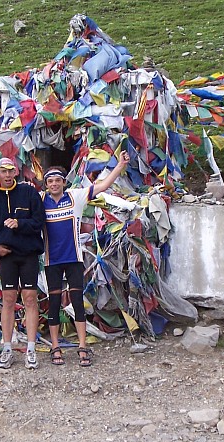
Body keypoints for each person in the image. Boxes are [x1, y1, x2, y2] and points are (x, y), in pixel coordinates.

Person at [41, 150, 130, 367]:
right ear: (46, 184)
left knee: (77, 303)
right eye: (50, 181)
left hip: (74, 259)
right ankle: (55, 347)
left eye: (58, 181)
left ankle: (82, 346)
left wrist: (119, 166)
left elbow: (102, 186)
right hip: (51, 261)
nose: (54, 184)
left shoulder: (75, 196)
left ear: (64, 182)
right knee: (53, 305)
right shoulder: (40, 200)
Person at [0, 157, 46, 369]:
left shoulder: (29, 192)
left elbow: (39, 221)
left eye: (10, 171)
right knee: (8, 299)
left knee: (30, 297)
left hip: (29, 253)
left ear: (16, 172)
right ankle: (7, 348)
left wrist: (19, 223)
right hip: (7, 255)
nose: (7, 175)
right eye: (2, 171)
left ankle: (31, 348)